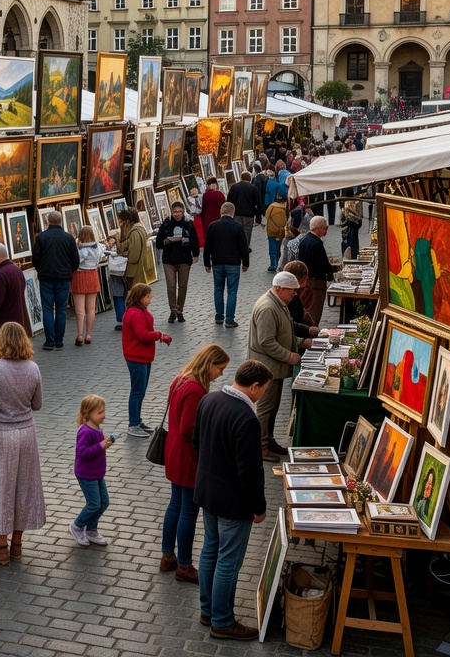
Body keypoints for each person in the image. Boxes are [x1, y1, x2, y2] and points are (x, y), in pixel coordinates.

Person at [194, 359, 272, 640]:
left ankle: (208, 610)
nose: (263, 394)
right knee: (228, 560)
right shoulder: (247, 418)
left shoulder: (209, 399)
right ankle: (223, 621)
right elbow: (250, 472)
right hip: (232, 502)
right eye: (263, 389)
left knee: (209, 550)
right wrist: (259, 507)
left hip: (208, 493)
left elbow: (197, 442)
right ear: (253, 386)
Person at [0, 323, 46, 565]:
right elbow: (37, 405)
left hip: (2, 435)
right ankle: (17, 546)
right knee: (24, 488)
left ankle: (1, 548)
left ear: (1, 341)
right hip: (27, 433)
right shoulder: (33, 368)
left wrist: (0, 407)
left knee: (1, 488)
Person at [160, 344, 231, 584]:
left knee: (175, 505)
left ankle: (168, 556)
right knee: (188, 511)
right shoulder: (195, 389)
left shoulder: (181, 378)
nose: (220, 374)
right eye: (220, 369)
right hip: (187, 457)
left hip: (174, 452)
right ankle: (185, 565)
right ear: (210, 364)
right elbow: (191, 428)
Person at [248, 272, 312, 462]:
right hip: (267, 366)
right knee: (266, 408)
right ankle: (260, 446)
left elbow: (284, 331)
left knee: (272, 407)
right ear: (279, 288)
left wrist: (300, 342)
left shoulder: (277, 302)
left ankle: (268, 440)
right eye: (292, 290)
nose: (295, 294)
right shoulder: (268, 307)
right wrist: (289, 355)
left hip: (272, 367)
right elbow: (266, 341)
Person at [122, 284, 171, 437]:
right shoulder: (136, 314)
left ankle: (137, 420)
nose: (150, 299)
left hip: (142, 356)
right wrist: (158, 335)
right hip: (137, 357)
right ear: (139, 297)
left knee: (140, 391)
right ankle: (133, 424)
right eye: (147, 296)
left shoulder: (139, 311)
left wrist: (158, 336)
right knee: (137, 391)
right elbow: (143, 335)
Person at [70, 394, 115, 546]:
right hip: (86, 474)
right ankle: (77, 526)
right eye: (100, 412)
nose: (104, 415)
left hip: (97, 473)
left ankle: (91, 530)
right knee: (94, 504)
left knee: (104, 502)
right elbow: (82, 453)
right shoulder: (85, 431)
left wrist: (104, 444)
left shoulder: (97, 429)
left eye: (104, 411)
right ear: (88, 414)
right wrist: (101, 445)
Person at [31, 209, 78, 350]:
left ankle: (50, 341)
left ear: (48, 221)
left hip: (46, 278)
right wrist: (69, 271)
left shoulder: (41, 238)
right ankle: (60, 340)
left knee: (47, 309)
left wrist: (41, 270)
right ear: (60, 221)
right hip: (64, 278)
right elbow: (75, 259)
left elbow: (36, 259)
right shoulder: (68, 238)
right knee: (61, 309)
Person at [203, 202, 250, 328]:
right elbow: (243, 246)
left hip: (217, 262)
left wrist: (207, 262)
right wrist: (246, 262)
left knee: (218, 290)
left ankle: (219, 316)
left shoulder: (212, 226)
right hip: (233, 263)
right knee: (232, 291)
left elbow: (207, 246)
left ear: (221, 212)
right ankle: (229, 319)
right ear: (233, 212)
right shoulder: (238, 226)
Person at [155, 201, 199, 323]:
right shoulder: (167, 223)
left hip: (184, 259)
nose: (177, 214)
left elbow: (194, 239)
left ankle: (180, 310)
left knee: (183, 286)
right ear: (171, 212)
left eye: (180, 212)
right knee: (171, 286)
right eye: (175, 212)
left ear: (183, 212)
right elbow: (158, 242)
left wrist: (195, 254)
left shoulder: (188, 223)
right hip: (168, 259)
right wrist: (166, 241)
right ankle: (173, 310)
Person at [297, 216, 339, 325]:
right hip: (316, 281)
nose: (326, 231)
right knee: (314, 310)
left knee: (307, 306)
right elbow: (321, 263)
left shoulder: (304, 240)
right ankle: (311, 332)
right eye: (325, 228)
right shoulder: (316, 244)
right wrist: (331, 271)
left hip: (306, 279)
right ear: (318, 228)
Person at [72, 226, 104, 346]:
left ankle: (80, 335)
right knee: (91, 309)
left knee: (80, 311)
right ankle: (88, 334)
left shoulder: (81, 250)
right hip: (93, 276)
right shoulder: (98, 247)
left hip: (80, 277)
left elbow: (75, 262)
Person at [118, 209, 149, 293]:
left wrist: (128, 261)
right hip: (139, 266)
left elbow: (134, 255)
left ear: (128, 221)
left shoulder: (135, 231)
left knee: (137, 293)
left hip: (135, 269)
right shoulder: (139, 229)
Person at [227, 172, 259, 244]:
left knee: (237, 231)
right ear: (250, 179)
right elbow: (257, 203)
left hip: (236, 214)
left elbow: (229, 201)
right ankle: (245, 247)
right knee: (247, 231)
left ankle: (238, 246)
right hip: (249, 214)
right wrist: (258, 216)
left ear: (241, 178)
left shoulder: (234, 187)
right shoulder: (253, 188)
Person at [264, 193, 288, 272]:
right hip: (283, 230)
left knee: (272, 248)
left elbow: (267, 216)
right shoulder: (286, 207)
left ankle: (273, 264)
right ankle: (281, 263)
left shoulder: (272, 206)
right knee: (282, 247)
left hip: (272, 229)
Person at [198, 177, 225, 246]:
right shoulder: (220, 194)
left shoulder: (206, 195)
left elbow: (203, 207)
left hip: (208, 218)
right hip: (219, 216)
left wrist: (203, 218)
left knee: (210, 235)